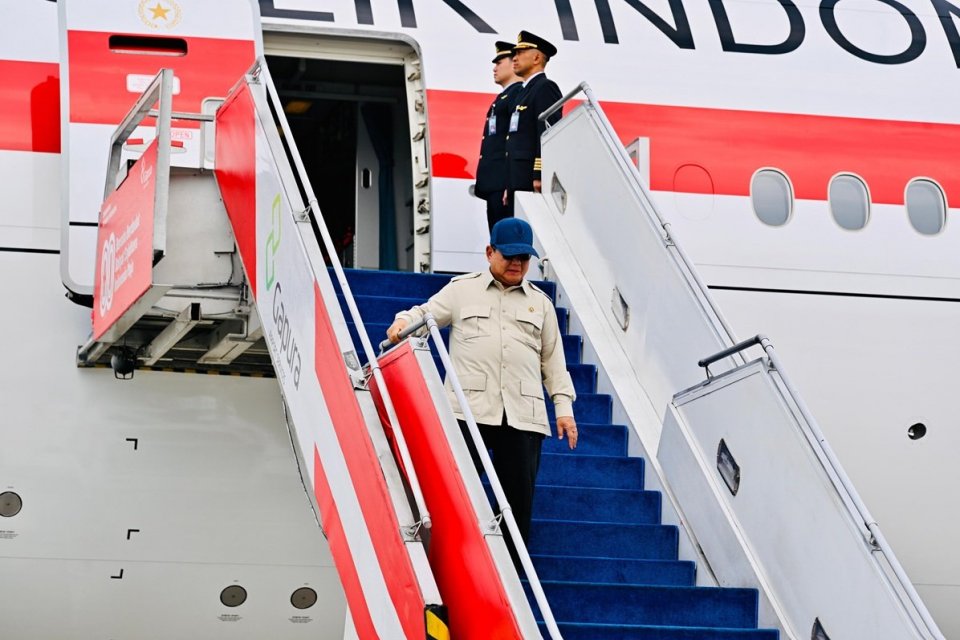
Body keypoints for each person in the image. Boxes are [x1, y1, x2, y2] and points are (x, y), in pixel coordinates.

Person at [386, 218, 577, 559]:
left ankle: (510, 575)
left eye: (524, 258)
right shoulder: (462, 290)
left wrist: (563, 409)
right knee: (453, 492)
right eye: (509, 256)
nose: (518, 264)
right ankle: (447, 559)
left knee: (517, 502)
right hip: (469, 410)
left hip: (524, 416)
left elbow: (554, 362)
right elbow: (423, 314)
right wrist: (402, 323)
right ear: (490, 252)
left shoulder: (541, 304)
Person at [503, 30, 563, 216]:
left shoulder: (545, 88)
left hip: (530, 177)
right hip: (517, 177)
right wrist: (508, 183)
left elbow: (547, 134)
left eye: (520, 53)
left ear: (537, 57)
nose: (514, 57)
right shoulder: (523, 92)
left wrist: (540, 174)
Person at [475, 41, 523, 230]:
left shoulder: (517, 94)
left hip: (502, 182)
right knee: (497, 238)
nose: (494, 68)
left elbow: (514, 141)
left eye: (499, 62)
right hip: (494, 183)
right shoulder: (504, 97)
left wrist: (509, 183)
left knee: (504, 240)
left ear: (514, 63)